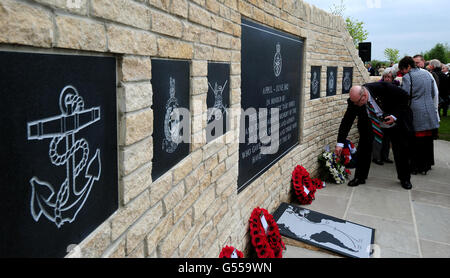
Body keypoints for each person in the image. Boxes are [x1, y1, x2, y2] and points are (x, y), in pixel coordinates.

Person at [335, 82, 414, 190]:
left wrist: (395, 116)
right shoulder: (354, 101)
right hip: (370, 124)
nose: (355, 105)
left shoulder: (383, 87)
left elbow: (405, 98)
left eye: (357, 102)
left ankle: (405, 179)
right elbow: (347, 121)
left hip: (394, 122)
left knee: (400, 149)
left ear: (364, 96)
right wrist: (340, 143)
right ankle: (360, 177)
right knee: (363, 148)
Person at [399, 56, 440, 175]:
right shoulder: (427, 74)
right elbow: (433, 92)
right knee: (427, 139)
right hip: (429, 108)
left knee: (416, 140)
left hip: (416, 110)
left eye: (403, 69)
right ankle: (426, 165)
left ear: (408, 66)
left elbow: (405, 95)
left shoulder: (408, 76)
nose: (403, 72)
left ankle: (416, 166)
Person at [371, 67, 399, 165]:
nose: (387, 79)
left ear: (393, 78)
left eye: (389, 77)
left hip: (390, 115)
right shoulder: (378, 86)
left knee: (387, 138)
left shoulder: (396, 87)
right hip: (379, 114)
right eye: (385, 77)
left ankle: (385, 156)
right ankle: (376, 157)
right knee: (378, 137)